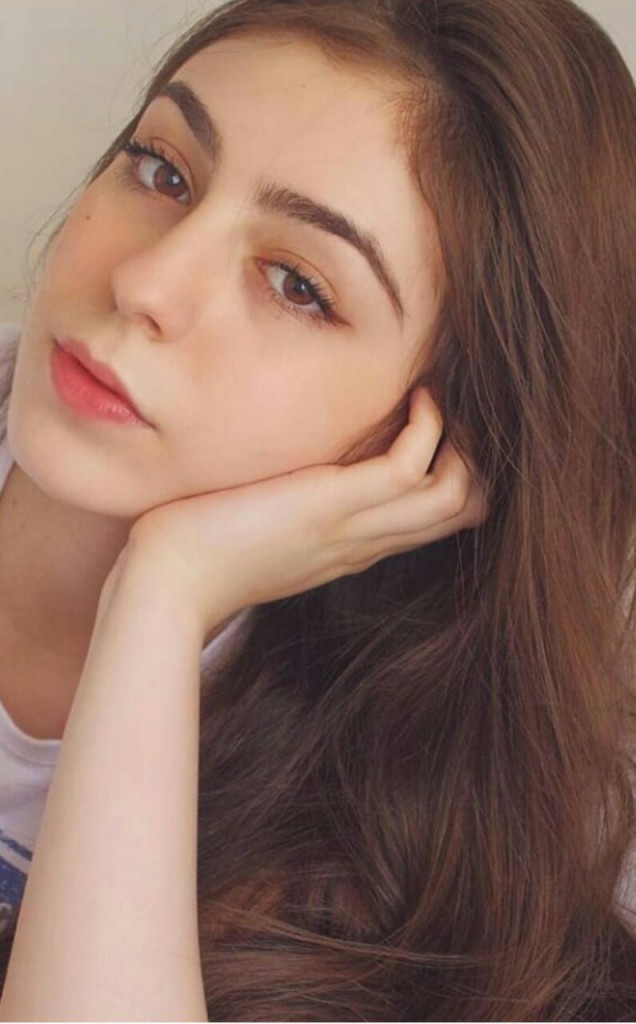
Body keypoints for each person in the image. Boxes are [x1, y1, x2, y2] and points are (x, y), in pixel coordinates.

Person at [0, 0, 633, 1017]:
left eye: (296, 283)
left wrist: (162, 596)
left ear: (436, 438)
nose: (144, 281)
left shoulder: (413, 848)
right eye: (163, 171)